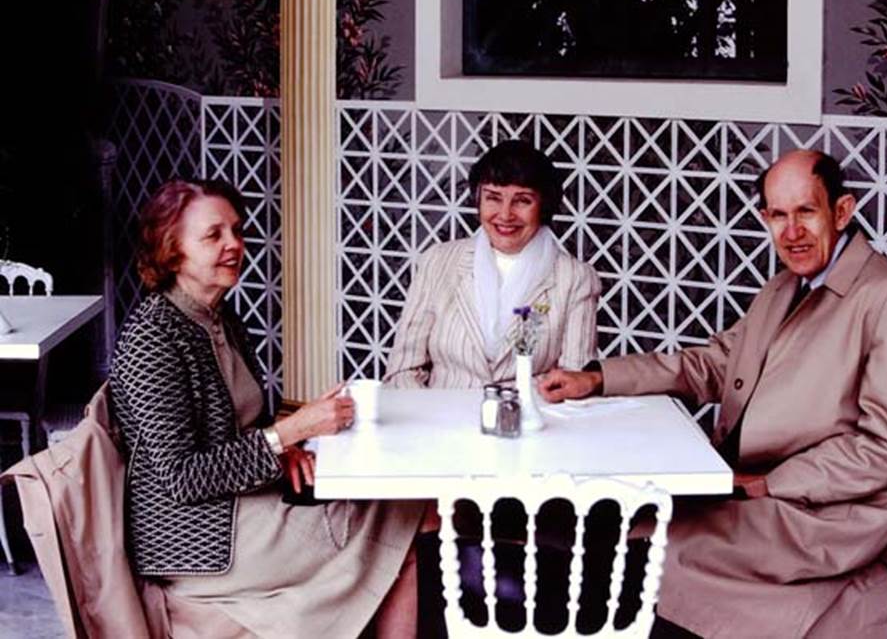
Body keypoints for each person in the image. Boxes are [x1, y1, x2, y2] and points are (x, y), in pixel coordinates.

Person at [540, 150, 887, 638]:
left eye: (806, 212)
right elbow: (712, 364)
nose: (791, 232)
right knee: (616, 523)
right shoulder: (782, 288)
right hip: (745, 483)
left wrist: (770, 484)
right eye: (778, 215)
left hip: (821, 509)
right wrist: (598, 379)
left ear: (842, 211)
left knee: (656, 550)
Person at [109, 179, 423, 638]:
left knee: (399, 508)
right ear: (171, 249)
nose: (234, 245)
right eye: (213, 235)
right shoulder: (152, 339)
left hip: (243, 506)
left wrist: (284, 451)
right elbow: (182, 477)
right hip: (195, 538)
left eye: (237, 231)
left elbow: (244, 426)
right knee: (403, 533)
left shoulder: (220, 317)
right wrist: (290, 431)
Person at [384, 139, 600, 388]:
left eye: (522, 200)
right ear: (478, 200)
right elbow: (401, 370)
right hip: (441, 421)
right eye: (493, 198)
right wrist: (430, 422)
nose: (505, 214)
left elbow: (573, 384)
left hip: (529, 421)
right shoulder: (437, 261)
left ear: (544, 206)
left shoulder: (575, 278)